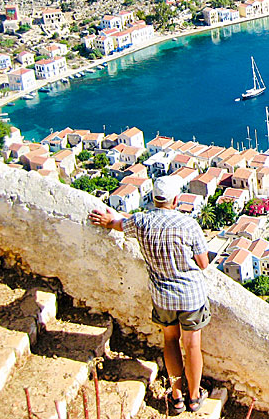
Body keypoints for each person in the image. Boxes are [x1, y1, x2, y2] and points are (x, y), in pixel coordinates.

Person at [89, 175, 211, 414]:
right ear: (176, 200)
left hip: (162, 295)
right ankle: (194, 397)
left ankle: (176, 396)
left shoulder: (142, 222)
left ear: (154, 199)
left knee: (170, 341)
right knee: (192, 346)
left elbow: (119, 223)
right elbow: (203, 263)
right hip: (190, 297)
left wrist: (107, 219)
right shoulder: (189, 225)